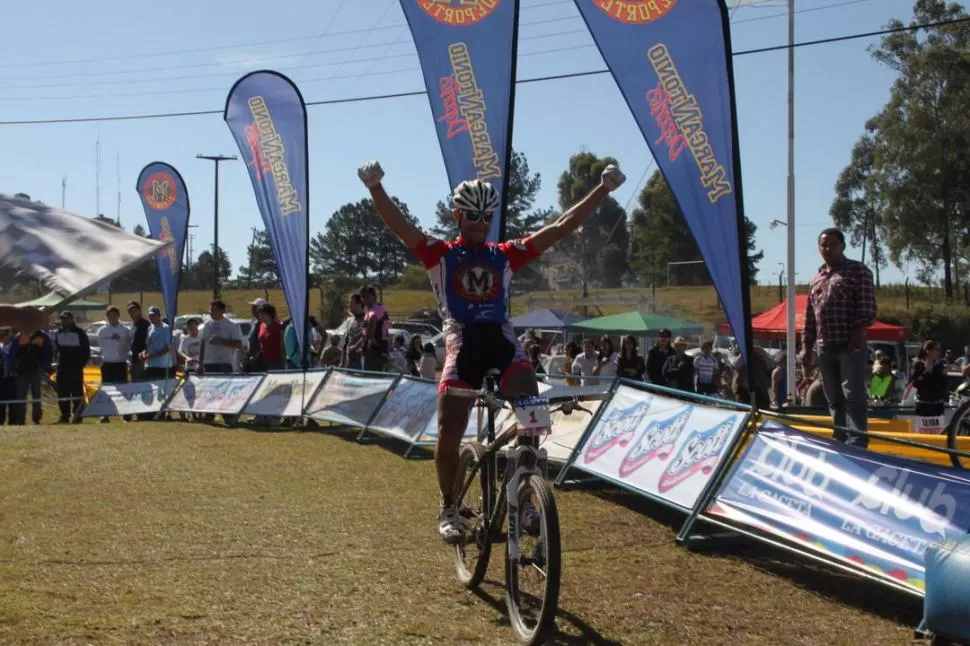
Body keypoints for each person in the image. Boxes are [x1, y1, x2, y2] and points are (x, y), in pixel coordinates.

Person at [358, 158, 625, 543]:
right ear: (457, 216)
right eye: (472, 217)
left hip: (501, 341)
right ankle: (448, 505)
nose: (479, 225)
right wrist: (376, 188)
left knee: (532, 410)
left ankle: (526, 498)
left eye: (486, 218)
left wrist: (603, 190)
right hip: (462, 341)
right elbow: (400, 227)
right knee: (449, 431)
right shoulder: (441, 254)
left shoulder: (505, 254)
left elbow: (560, 227)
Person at [800, 228, 876, 448]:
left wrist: (858, 332)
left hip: (849, 344)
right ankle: (840, 438)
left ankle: (857, 440)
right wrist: (806, 347)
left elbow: (867, 307)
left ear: (842, 246)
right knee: (833, 396)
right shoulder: (816, 279)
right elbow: (809, 318)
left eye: (832, 245)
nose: (827, 249)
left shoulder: (857, 271)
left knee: (853, 394)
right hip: (824, 346)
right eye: (823, 245)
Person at [12, 321, 53, 425]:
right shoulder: (19, 336)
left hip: (36, 370)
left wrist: (44, 367)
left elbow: (48, 353)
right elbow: (13, 353)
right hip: (21, 370)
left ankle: (36, 418)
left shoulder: (43, 336)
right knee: (21, 396)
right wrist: (14, 367)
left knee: (36, 395)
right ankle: (21, 419)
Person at [52, 311, 90, 423]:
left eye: (67, 319)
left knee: (77, 392)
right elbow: (57, 349)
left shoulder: (80, 333)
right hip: (63, 368)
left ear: (72, 319)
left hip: (76, 368)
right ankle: (64, 415)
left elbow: (86, 351)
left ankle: (78, 415)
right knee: (63, 392)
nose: (64, 321)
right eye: (63, 319)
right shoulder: (59, 333)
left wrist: (80, 365)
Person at [910, 340, 947, 419]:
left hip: (938, 405)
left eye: (939, 350)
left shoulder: (939, 365)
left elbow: (942, 385)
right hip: (923, 405)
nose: (938, 352)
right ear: (928, 351)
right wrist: (925, 372)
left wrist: (944, 375)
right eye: (936, 350)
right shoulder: (919, 364)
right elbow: (914, 383)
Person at [360, 285, 390, 372]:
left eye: (368, 296)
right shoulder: (369, 311)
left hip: (376, 351)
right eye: (363, 297)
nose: (365, 299)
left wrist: (371, 338)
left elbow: (373, 320)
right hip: (371, 351)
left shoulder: (378, 308)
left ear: (374, 297)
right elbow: (364, 331)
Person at [141, 307, 173, 380]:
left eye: (154, 315)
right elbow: (147, 345)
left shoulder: (166, 328)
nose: (152, 318)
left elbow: (167, 348)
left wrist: (151, 356)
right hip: (150, 366)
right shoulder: (150, 328)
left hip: (162, 366)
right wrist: (143, 353)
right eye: (150, 316)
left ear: (159, 316)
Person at [127, 301, 151, 381]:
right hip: (133, 359)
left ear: (139, 310)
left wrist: (144, 355)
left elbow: (149, 342)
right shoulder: (132, 325)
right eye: (130, 311)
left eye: (134, 310)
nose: (132, 313)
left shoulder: (146, 324)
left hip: (142, 360)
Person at [257, 303, 285, 372]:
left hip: (276, 363)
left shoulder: (277, 328)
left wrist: (283, 362)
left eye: (261, 313)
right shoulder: (261, 326)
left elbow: (282, 346)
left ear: (268, 314)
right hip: (263, 361)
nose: (259, 316)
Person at [342, 294, 366, 370]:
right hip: (349, 362)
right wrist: (342, 362)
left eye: (352, 303)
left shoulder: (366, 320)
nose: (349, 305)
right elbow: (346, 343)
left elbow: (365, 336)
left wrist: (355, 346)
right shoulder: (350, 320)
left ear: (359, 305)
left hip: (361, 362)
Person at [245, 297, 266, 373]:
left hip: (260, 362)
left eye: (255, 307)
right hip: (252, 360)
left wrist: (255, 357)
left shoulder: (264, 324)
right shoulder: (255, 323)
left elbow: (263, 343)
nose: (252, 310)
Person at [0, 328, 14, 425]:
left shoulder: (14, 347)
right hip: (1, 378)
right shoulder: (0, 347)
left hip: (12, 378)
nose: (3, 337)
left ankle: (13, 421)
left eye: (5, 334)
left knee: (12, 401)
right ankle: (1, 420)